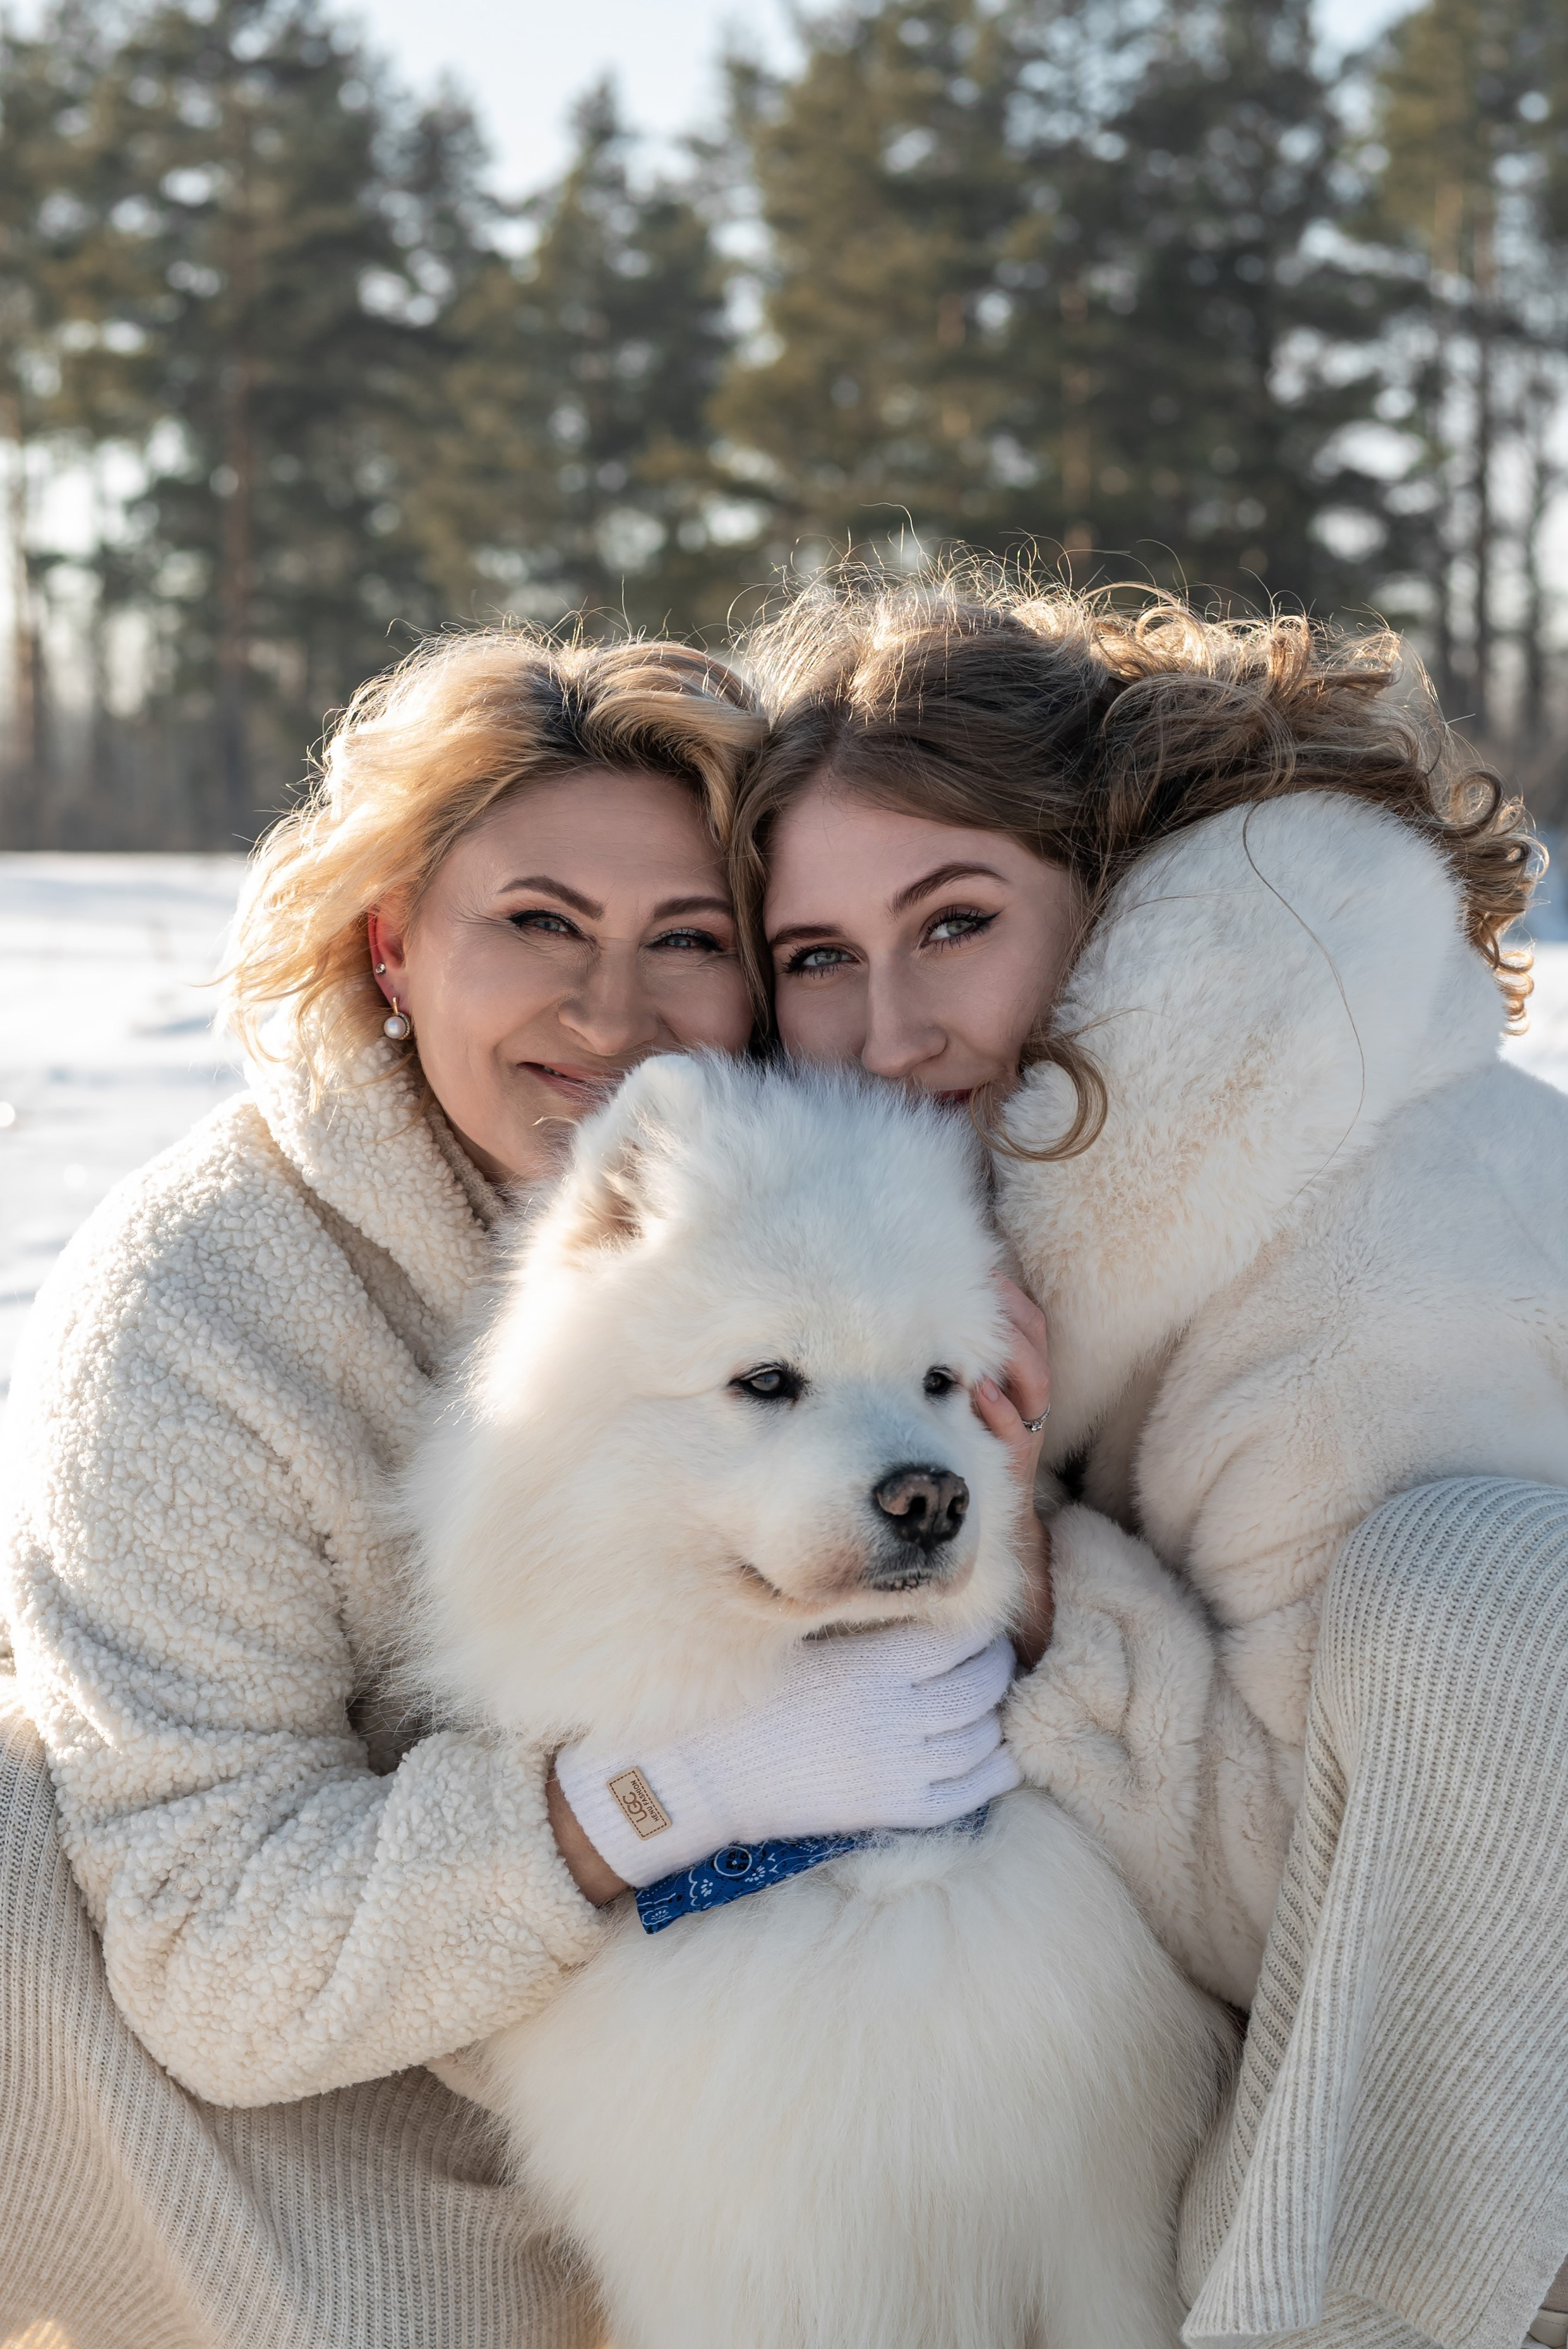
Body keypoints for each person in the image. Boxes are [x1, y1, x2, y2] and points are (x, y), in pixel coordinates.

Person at [0, 628, 1027, 2349]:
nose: (611, 1013)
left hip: (855, 2117)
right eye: (537, 924)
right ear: (395, 945)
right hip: (356, 2163)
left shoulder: (876, 1207)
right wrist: (625, 1801)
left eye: (684, 942)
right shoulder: (202, 1314)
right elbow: (212, 1954)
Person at [735, 570, 1568, 2349]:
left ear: (1106, 895)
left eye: (952, 922)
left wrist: (1024, 1573)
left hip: (1494, 2161)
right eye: (817, 959)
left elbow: (1338, 1919)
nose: (888, 1031)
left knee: (1477, 1590)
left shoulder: (1360, 1280)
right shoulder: (1123, 1187)